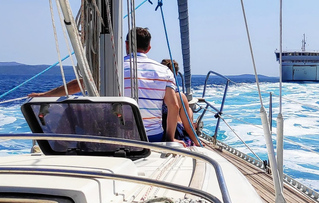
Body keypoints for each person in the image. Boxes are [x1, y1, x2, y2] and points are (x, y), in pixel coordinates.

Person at [29, 27, 194, 145]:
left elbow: (77, 85)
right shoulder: (164, 71)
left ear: (127, 44)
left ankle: (60, 146)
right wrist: (170, 138)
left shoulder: (111, 68)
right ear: (149, 48)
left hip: (116, 138)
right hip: (153, 138)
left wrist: (45, 95)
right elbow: (174, 106)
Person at [161, 58, 199, 146]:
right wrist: (197, 142)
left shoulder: (157, 93)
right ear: (176, 73)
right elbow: (188, 126)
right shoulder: (179, 96)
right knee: (189, 111)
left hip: (158, 130)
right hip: (173, 134)